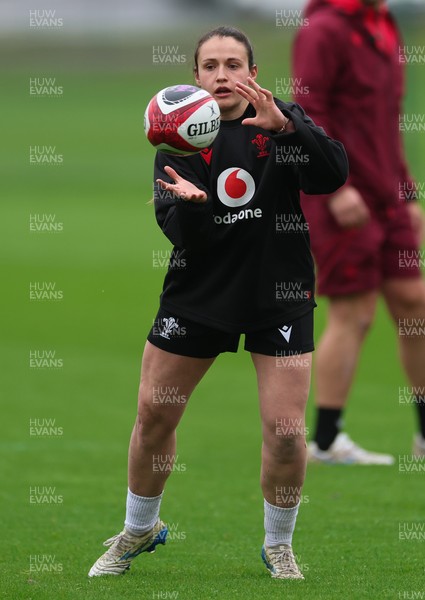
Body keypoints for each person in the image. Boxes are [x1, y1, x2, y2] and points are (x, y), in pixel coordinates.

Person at [88, 26, 348, 580]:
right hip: (198, 295)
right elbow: (184, 236)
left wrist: (290, 128)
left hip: (277, 294)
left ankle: (279, 545)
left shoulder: (279, 120)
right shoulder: (177, 138)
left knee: (284, 431)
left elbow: (332, 174)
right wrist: (195, 206)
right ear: (197, 76)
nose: (223, 74)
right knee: (155, 415)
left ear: (253, 74)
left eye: (234, 64)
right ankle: (139, 528)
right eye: (210, 65)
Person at [293, 0, 425, 464]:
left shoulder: (385, 25)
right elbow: (307, 112)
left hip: (388, 195)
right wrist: (336, 187)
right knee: (354, 312)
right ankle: (327, 441)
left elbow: (388, 122)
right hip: (343, 197)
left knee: (416, 304)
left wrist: (407, 191)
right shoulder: (323, 30)